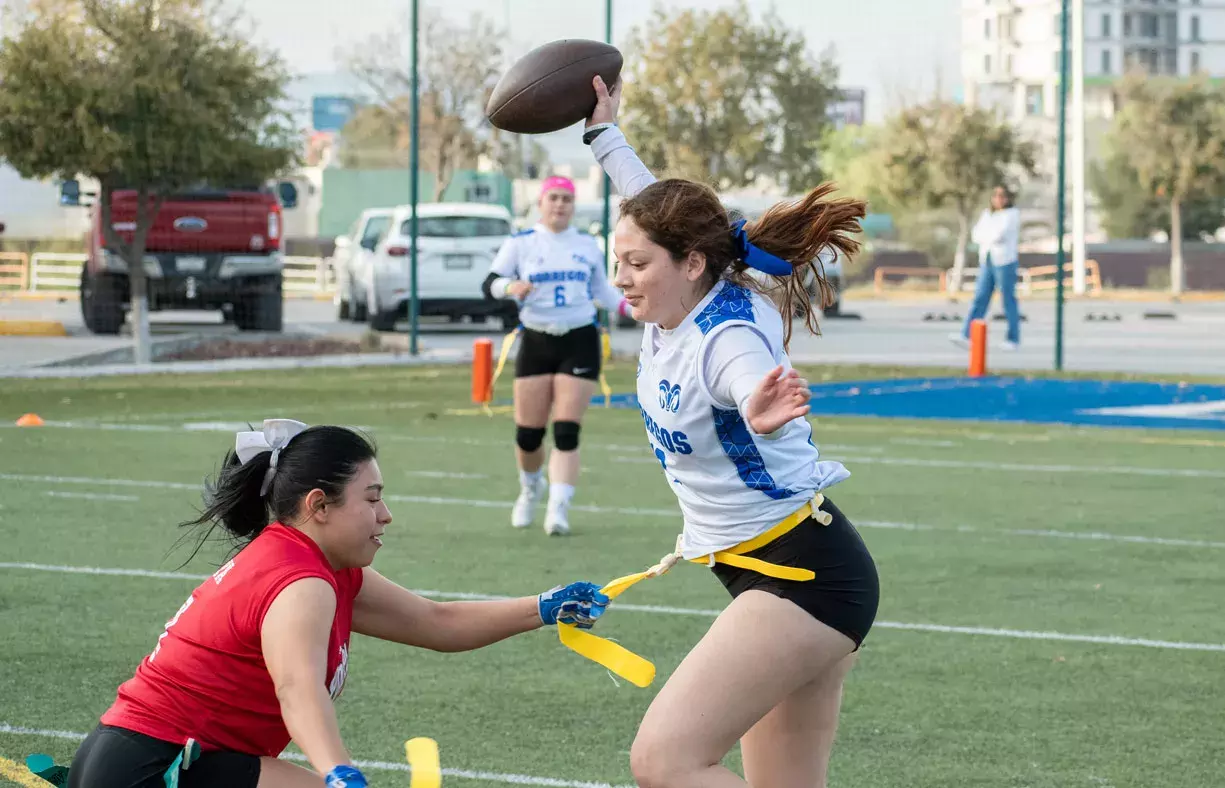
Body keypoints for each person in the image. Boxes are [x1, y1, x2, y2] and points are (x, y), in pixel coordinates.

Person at [584, 76, 880, 788]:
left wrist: (759, 406)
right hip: (779, 566)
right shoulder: (688, 277)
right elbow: (648, 198)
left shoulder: (724, 338)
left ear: (690, 263)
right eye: (617, 260)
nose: (621, 278)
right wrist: (603, 133)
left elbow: (746, 373)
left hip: (802, 576)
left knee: (664, 761)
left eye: (637, 264)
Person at [65, 420, 609, 788]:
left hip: (147, 758)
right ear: (319, 506)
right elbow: (296, 687)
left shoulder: (322, 567)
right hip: (152, 766)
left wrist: (542, 607)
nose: (386, 514)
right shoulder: (301, 580)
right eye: (371, 499)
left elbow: (435, 621)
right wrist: (338, 773)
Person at [481, 176, 631, 535]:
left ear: (574, 205)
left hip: (579, 338)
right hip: (536, 338)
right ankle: (530, 488)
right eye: (554, 198)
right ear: (541, 202)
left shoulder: (587, 244)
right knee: (529, 435)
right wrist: (510, 286)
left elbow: (602, 292)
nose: (560, 205)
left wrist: (634, 309)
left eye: (566, 199)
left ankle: (558, 509)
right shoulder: (522, 242)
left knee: (566, 431)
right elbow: (490, 283)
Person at [953, 185, 1022, 351]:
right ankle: (967, 334)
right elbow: (976, 234)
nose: (998, 199)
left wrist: (987, 236)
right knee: (980, 297)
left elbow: (999, 235)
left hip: (1005, 261)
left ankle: (1013, 338)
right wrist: (987, 236)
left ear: (1007, 198)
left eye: (1002, 196)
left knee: (1008, 300)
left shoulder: (1011, 214)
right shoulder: (987, 214)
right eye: (996, 196)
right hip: (987, 260)